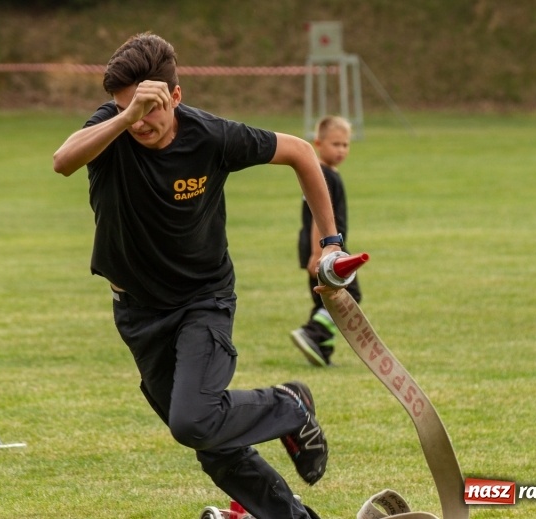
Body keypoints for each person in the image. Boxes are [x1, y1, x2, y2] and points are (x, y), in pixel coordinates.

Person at [52, 33, 344, 519]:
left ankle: (290, 405)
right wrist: (126, 115)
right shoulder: (111, 128)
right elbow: (62, 162)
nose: (142, 122)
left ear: (177, 97)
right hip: (138, 313)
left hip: (201, 302)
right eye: (129, 109)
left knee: (192, 421)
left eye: (152, 109)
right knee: (213, 442)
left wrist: (329, 242)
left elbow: (300, 152)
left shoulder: (210, 136)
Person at [290, 115, 362, 367]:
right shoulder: (324, 176)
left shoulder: (325, 174)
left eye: (345, 144)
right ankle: (312, 332)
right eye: (335, 144)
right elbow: (316, 218)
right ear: (318, 143)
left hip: (326, 249)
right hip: (327, 251)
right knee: (351, 294)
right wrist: (317, 252)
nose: (341, 150)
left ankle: (321, 349)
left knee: (324, 300)